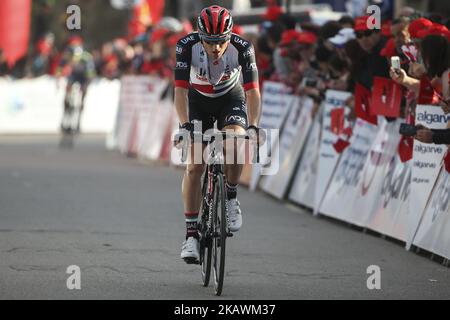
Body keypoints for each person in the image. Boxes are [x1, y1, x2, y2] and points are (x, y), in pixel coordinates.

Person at [174, 5, 261, 264]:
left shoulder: (243, 48)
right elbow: (179, 91)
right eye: (209, 42)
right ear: (200, 37)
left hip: (229, 99)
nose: (215, 48)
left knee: (235, 141)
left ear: (229, 36)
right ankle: (191, 234)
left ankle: (231, 195)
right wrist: (184, 123)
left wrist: (253, 125)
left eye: (221, 41)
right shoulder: (186, 46)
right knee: (194, 166)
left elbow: (253, 91)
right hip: (198, 101)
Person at [58, 36, 96, 133]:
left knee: (81, 100)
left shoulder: (86, 56)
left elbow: (90, 72)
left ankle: (78, 122)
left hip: (83, 77)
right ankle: (65, 120)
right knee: (67, 97)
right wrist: (59, 76)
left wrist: (86, 85)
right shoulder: (67, 55)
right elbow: (60, 66)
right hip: (73, 77)